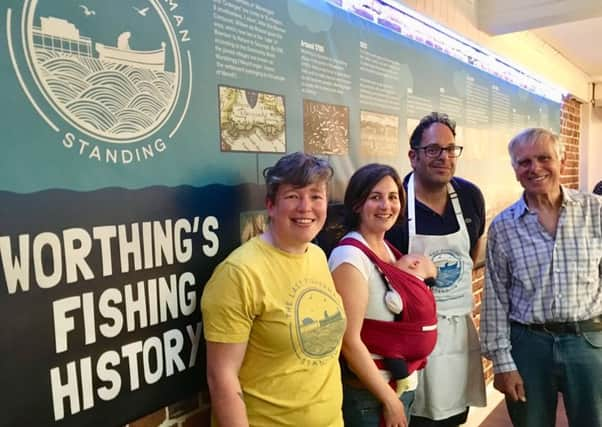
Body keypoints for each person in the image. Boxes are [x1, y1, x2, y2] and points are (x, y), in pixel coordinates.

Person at [201, 152, 346, 427]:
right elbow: (221, 378)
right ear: (270, 205)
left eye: (316, 196)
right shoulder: (239, 274)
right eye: (293, 196)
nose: (306, 207)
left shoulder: (316, 255)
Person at [481, 128, 602, 427]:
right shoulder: (503, 227)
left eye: (544, 158)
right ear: (515, 170)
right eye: (524, 162)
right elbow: (495, 298)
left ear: (561, 159)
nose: (534, 168)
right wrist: (502, 363)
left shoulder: (596, 211)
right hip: (528, 346)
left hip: (589, 342)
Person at [386, 112, 487, 427]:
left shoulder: (469, 197)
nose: (444, 157)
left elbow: (472, 252)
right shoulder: (396, 202)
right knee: (417, 416)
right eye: (433, 150)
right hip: (412, 336)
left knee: (455, 416)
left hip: (457, 329)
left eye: (450, 149)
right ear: (413, 155)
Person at [329, 163, 438, 427]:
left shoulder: (389, 250)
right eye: (375, 197)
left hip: (398, 386)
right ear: (357, 204)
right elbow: (349, 341)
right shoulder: (350, 258)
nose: (386, 206)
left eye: (392, 197)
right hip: (370, 397)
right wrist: (389, 400)